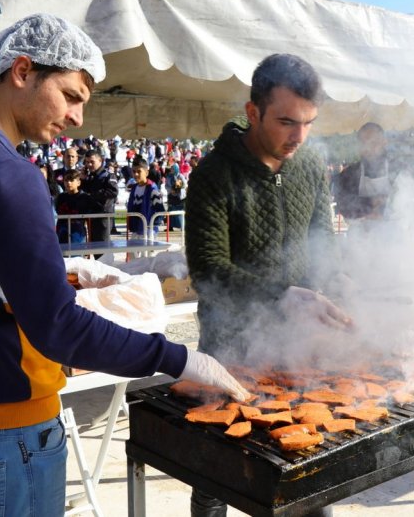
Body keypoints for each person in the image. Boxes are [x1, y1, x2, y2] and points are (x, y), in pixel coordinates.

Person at [0, 13, 248, 517]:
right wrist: (177, 358)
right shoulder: (9, 174)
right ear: (22, 70)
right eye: (71, 95)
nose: (79, 117)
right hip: (5, 434)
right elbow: (56, 327)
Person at [184, 53, 350, 517]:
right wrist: (281, 296)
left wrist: (337, 279)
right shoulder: (213, 175)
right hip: (230, 345)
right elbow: (209, 269)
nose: (298, 136)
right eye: (286, 122)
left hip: (297, 347)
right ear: (253, 112)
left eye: (309, 123)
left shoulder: (309, 165)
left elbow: (323, 245)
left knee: (304, 471)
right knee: (215, 474)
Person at [334, 122, 402, 221]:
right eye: (364, 143)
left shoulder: (398, 170)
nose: (369, 148)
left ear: (384, 142)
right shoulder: (349, 174)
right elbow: (343, 206)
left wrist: (383, 212)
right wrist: (371, 203)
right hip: (359, 234)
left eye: (373, 143)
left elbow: (407, 205)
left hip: (393, 231)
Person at [81, 148, 118, 242]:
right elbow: (85, 191)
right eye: (87, 162)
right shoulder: (90, 176)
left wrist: (94, 194)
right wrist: (83, 179)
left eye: (92, 162)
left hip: (103, 216)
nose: (89, 165)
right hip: (92, 215)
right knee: (95, 246)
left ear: (100, 161)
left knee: (103, 247)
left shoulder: (107, 175)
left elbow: (113, 192)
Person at [55, 168, 98, 243]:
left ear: (78, 182)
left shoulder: (85, 198)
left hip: (77, 233)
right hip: (62, 232)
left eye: (71, 180)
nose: (68, 183)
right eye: (66, 180)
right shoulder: (60, 197)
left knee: (77, 253)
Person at [126, 158, 165, 237]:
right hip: (136, 230)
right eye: (134, 172)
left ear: (146, 173)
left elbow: (160, 211)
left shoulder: (152, 189)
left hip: (149, 231)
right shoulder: (134, 188)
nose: (136, 174)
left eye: (139, 171)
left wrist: (152, 226)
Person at [165, 162, 187, 230]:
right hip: (171, 196)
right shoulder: (169, 176)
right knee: (170, 211)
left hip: (179, 197)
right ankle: (170, 227)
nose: (171, 170)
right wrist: (170, 190)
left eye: (173, 169)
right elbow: (166, 186)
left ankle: (182, 226)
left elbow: (185, 185)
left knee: (179, 212)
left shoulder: (180, 176)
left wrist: (179, 188)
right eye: (171, 169)